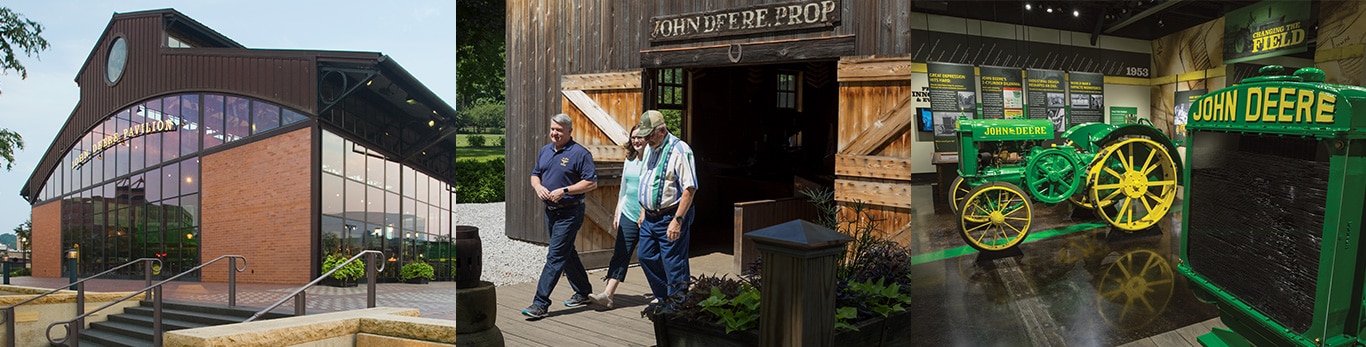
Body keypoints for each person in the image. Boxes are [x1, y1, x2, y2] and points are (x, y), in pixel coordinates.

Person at [522, 113, 598, 319]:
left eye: (559, 131)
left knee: (555, 256)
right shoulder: (545, 151)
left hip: (570, 212)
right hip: (551, 212)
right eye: (552, 129)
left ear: (570, 132)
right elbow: (535, 174)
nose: (554, 133)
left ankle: (540, 303)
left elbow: (591, 183)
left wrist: (564, 191)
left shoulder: (580, 154)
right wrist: (537, 186)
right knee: (566, 252)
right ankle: (583, 291)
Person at [633, 110, 698, 313]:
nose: (645, 140)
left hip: (670, 215)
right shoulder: (652, 148)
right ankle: (664, 298)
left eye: (649, 135)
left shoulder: (680, 150)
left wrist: (677, 220)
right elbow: (647, 180)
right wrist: (644, 209)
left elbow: (690, 188)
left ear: (661, 130)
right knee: (645, 256)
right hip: (650, 217)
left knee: (673, 264)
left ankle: (678, 306)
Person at [588, 125, 647, 309]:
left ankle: (664, 294)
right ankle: (608, 294)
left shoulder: (654, 160)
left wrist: (646, 210)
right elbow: (624, 188)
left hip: (649, 216)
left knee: (650, 256)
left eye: (640, 137)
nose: (636, 141)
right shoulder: (629, 159)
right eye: (633, 137)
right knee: (621, 253)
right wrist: (617, 211)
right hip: (629, 214)